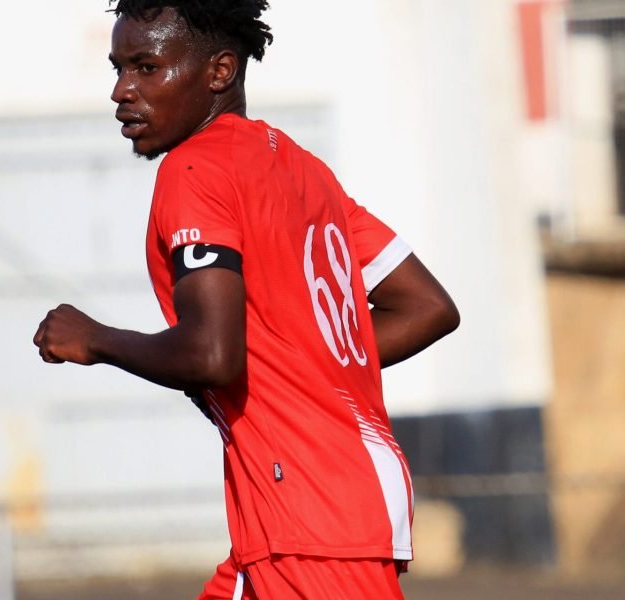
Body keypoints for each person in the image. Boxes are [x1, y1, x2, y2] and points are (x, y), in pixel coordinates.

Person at [33, 1, 460, 597]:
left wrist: (95, 339)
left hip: (308, 514)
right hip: (318, 500)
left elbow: (211, 355)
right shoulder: (304, 169)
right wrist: (301, 368)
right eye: (118, 68)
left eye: (146, 68)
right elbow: (427, 306)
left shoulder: (194, 169)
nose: (121, 91)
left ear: (220, 71)